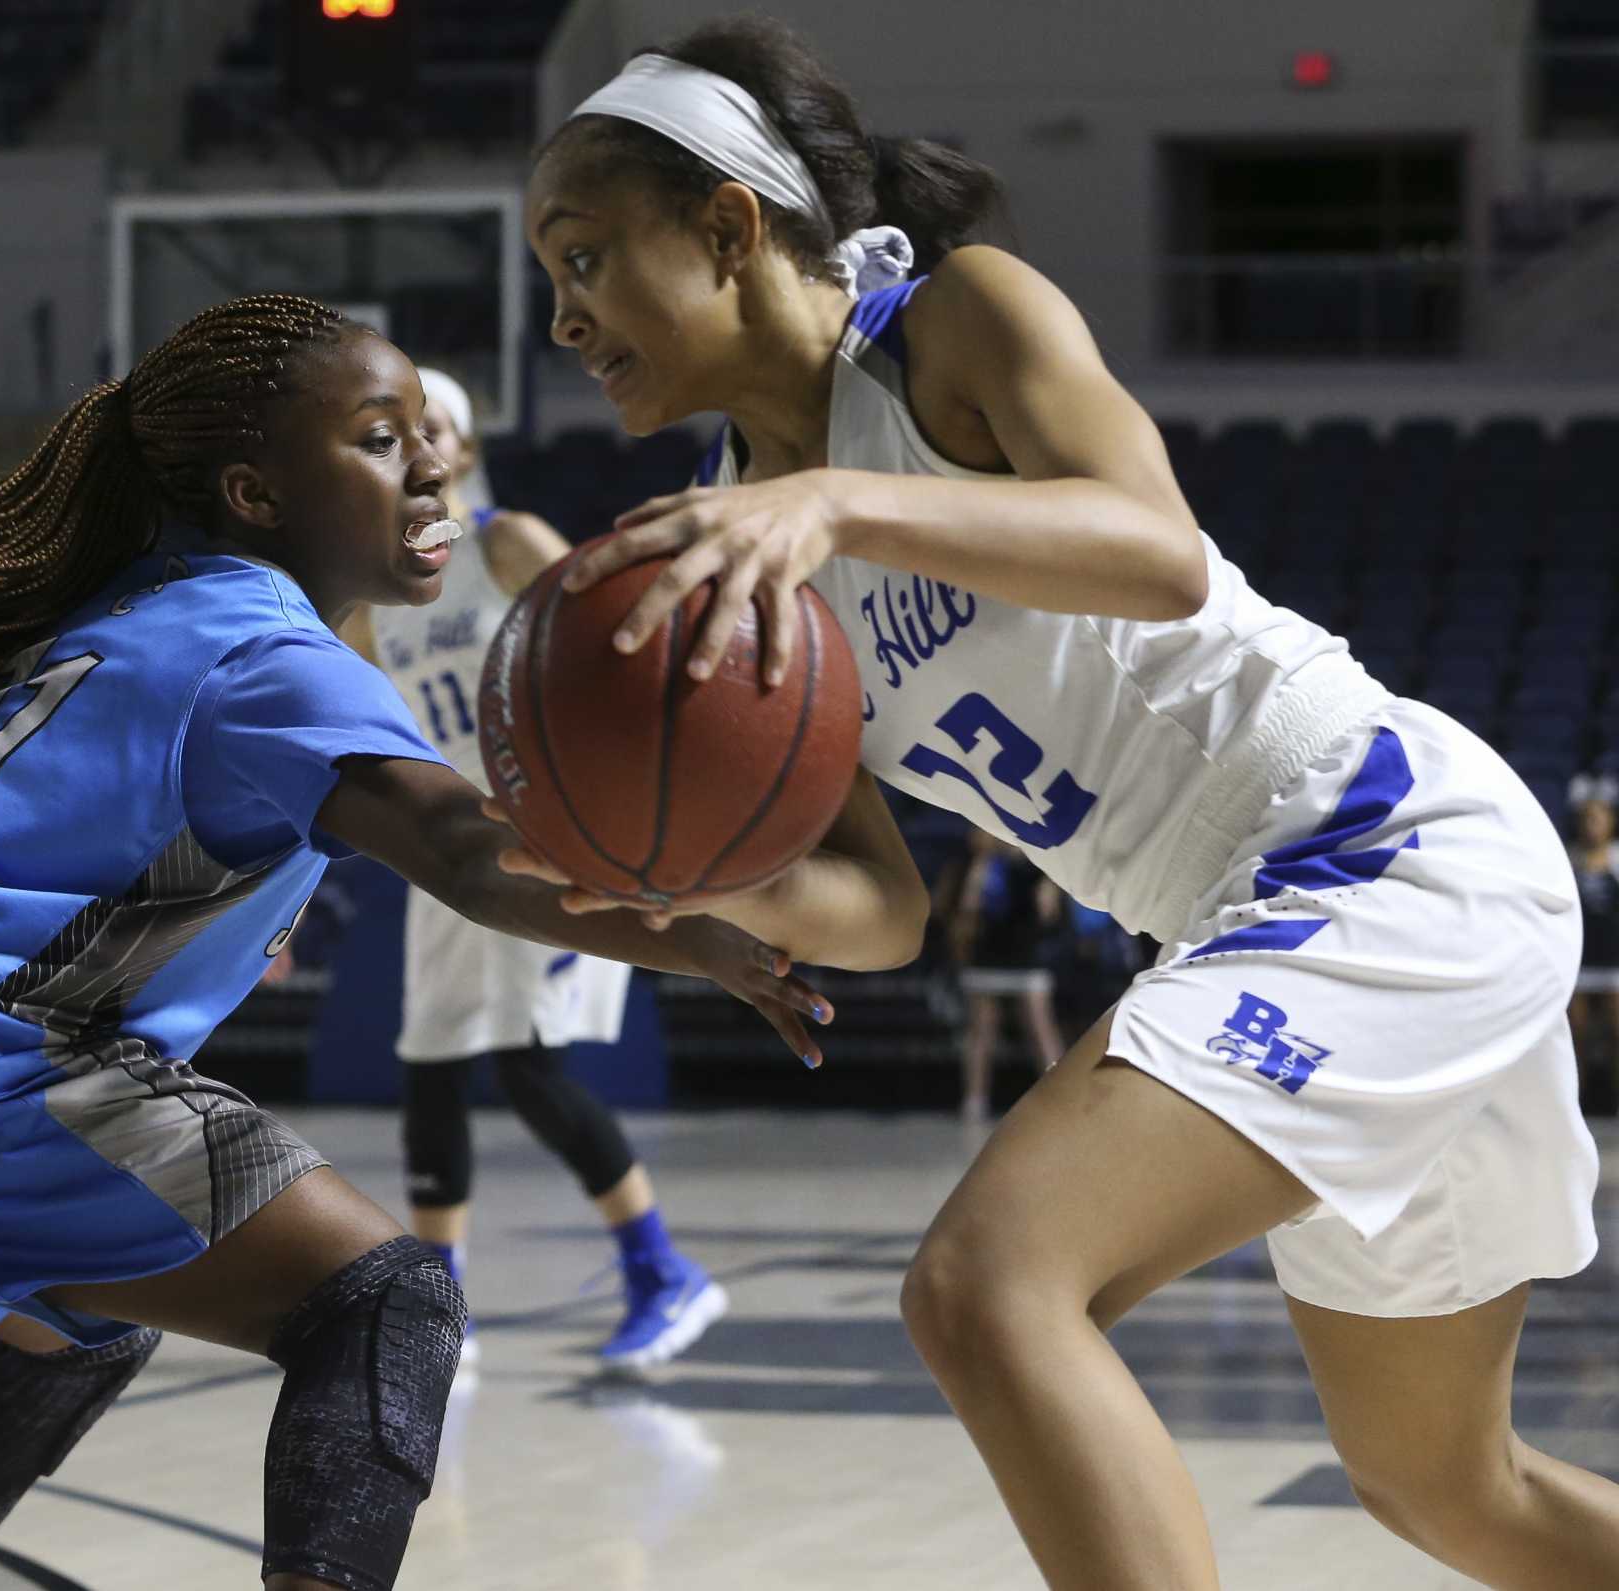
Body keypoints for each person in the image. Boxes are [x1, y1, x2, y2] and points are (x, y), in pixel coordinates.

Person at [511, 18, 1617, 1588]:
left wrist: (835, 497)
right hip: (1246, 919)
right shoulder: (738, 539)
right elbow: (883, 910)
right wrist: (675, 872)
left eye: (585, 255)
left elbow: (1156, 549)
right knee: (1452, 1489)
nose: (562, 315)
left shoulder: (950, 322)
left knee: (987, 1285)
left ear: (728, 225)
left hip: (1376, 843)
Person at [0, 293, 845, 1591]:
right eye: (375, 435)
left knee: (88, 1305)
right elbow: (467, 852)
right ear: (256, 489)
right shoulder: (269, 651)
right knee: (387, 1299)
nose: (431, 457)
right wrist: (706, 932)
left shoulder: (135, 608)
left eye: (427, 427)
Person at [339, 367, 726, 1371]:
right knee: (429, 1064)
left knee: (526, 1064)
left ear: (461, 451)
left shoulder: (503, 540)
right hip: (445, 849)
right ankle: (437, 1304)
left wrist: (619, 789)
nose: (408, 457)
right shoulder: (377, 605)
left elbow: (620, 643)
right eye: (384, 441)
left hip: (544, 837)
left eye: (426, 435)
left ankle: (661, 1272)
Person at [950, 828, 1063, 1123]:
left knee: (1040, 1026)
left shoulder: (1034, 867)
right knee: (982, 1029)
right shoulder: (977, 865)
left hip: (1026, 953)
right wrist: (981, 864)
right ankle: (975, 1099)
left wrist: (1046, 884)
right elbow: (966, 910)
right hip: (988, 953)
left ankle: (1062, 1094)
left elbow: (1047, 912)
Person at [1568, 779, 1619, 1092]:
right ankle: (1579, 1106)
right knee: (1577, 1036)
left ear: (1611, 821)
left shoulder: (1617, 858)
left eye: (1598, 818)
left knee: (1617, 1035)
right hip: (1581, 961)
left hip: (1614, 960)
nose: (1593, 825)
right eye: (1587, 819)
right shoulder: (1570, 858)